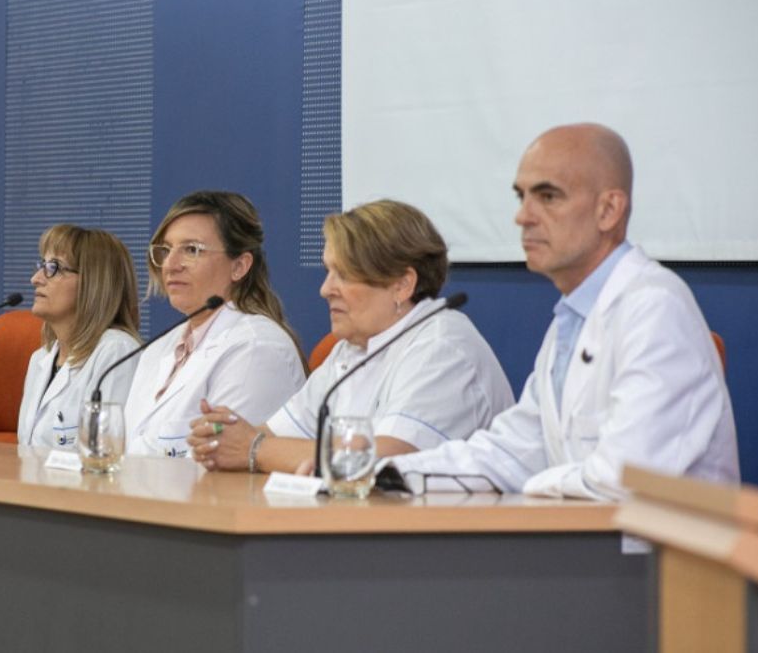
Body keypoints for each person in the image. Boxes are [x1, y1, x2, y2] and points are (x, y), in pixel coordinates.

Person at [387, 123, 739, 500]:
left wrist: (538, 481)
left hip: (664, 555)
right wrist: (385, 474)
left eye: (548, 197)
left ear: (608, 210)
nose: (523, 216)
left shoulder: (654, 308)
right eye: (521, 196)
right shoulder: (570, 320)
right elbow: (511, 451)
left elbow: (625, 479)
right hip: (597, 546)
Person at [187, 200, 514, 473]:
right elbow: (274, 435)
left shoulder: (442, 346)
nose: (325, 289)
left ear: (402, 284)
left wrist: (253, 448)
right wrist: (220, 437)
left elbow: (384, 459)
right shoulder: (352, 349)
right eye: (328, 272)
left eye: (343, 274)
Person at [125, 191, 306, 458]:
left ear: (239, 266)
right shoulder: (160, 347)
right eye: (165, 250)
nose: (171, 265)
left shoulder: (257, 349)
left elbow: (222, 463)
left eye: (191, 250)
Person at [17, 224, 142, 449]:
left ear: (93, 282)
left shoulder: (117, 351)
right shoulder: (40, 359)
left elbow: (105, 454)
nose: (36, 278)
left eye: (54, 267)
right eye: (42, 265)